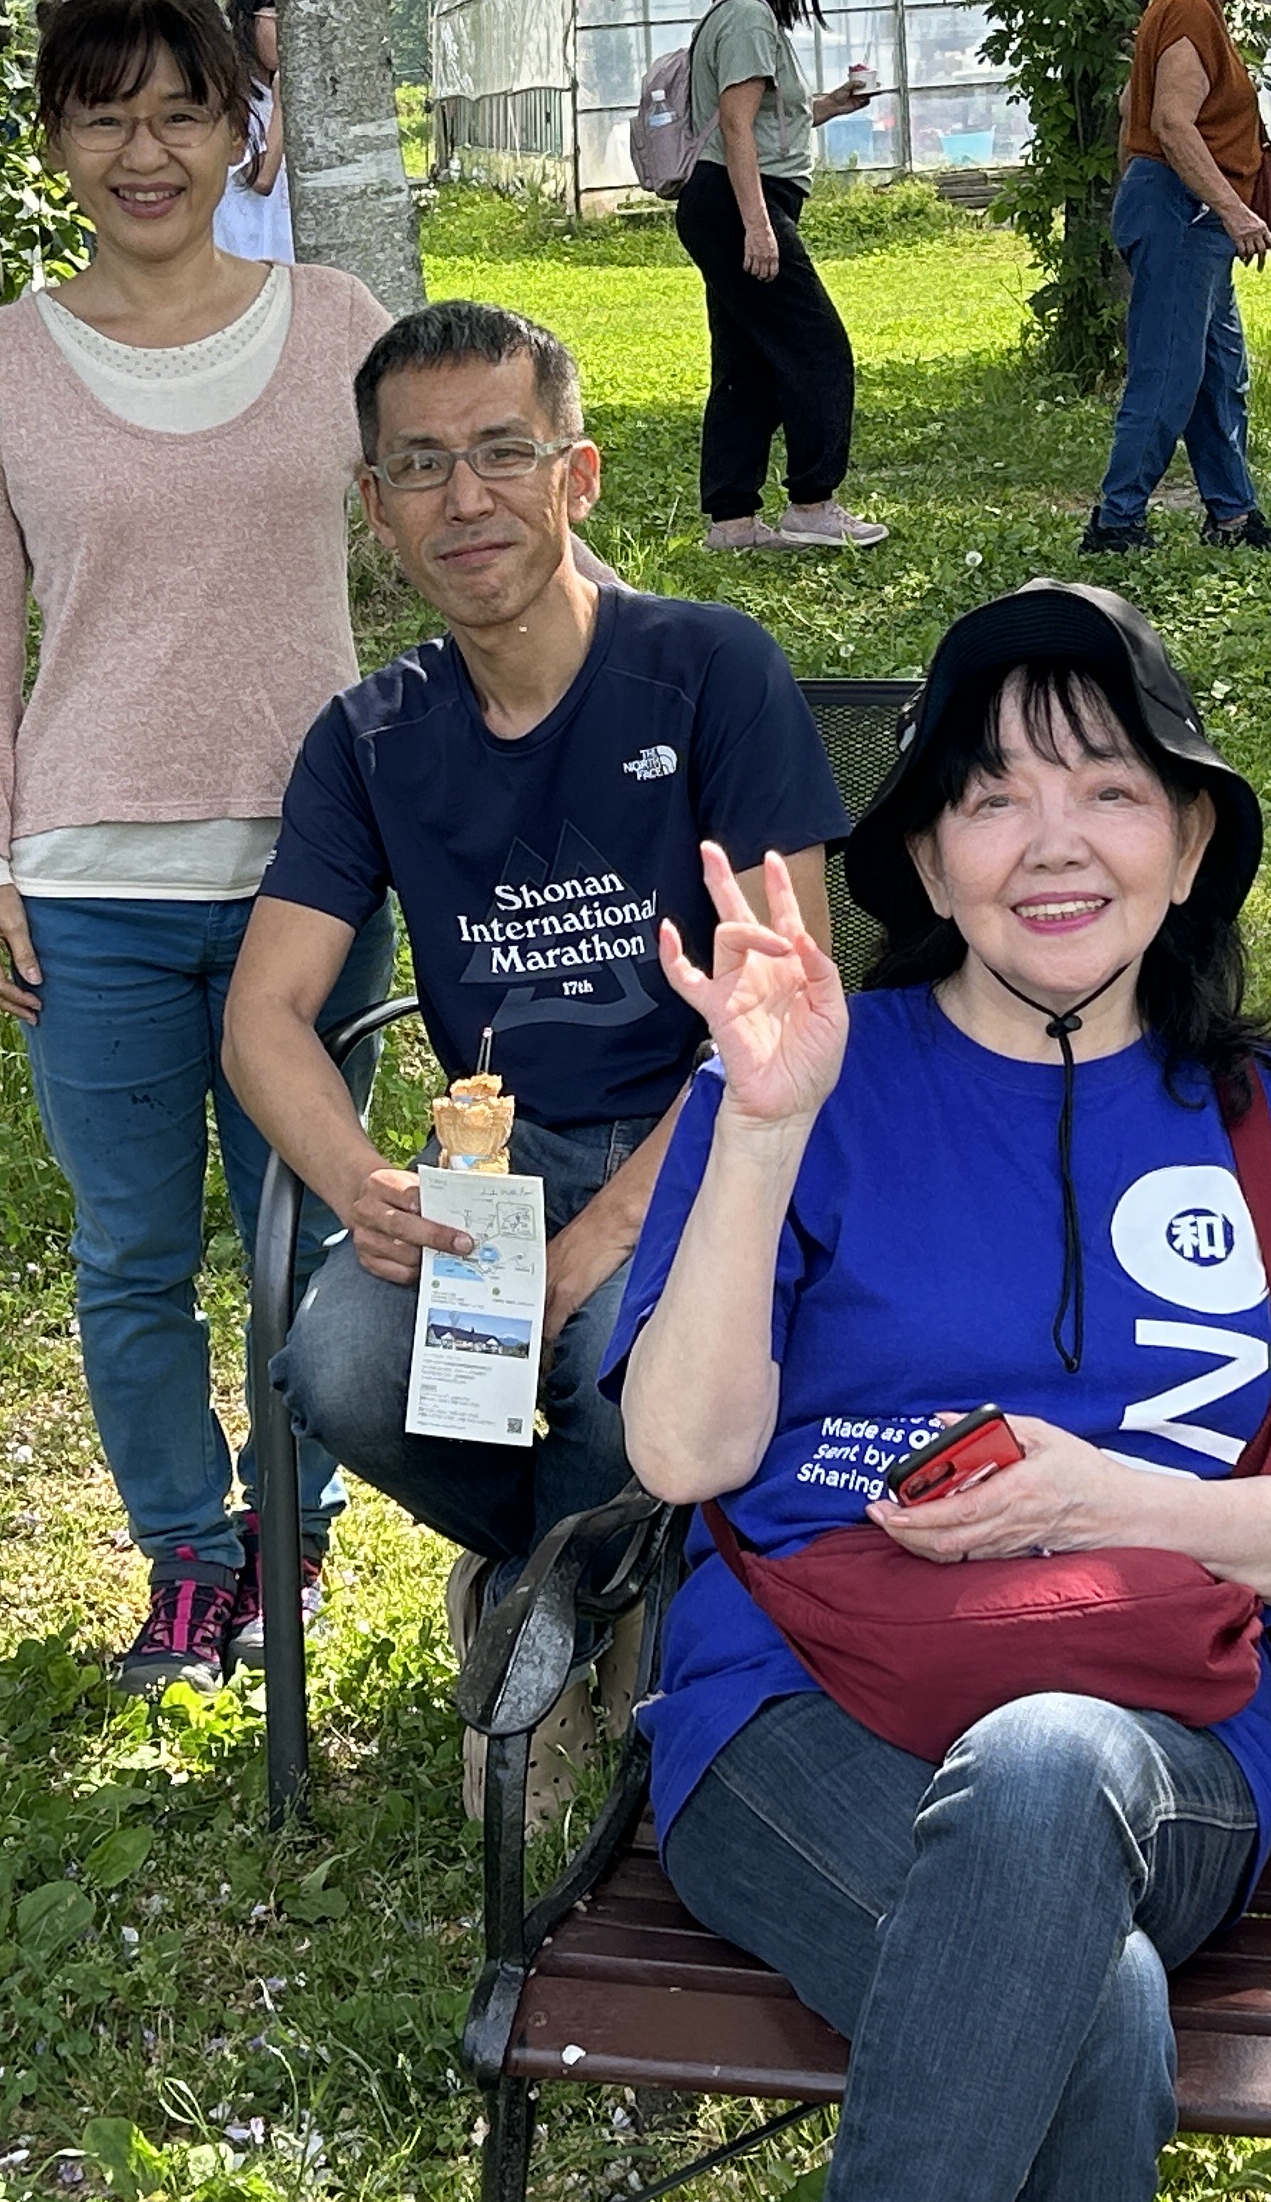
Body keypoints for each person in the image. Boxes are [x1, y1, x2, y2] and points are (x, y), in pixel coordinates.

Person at [613, 579, 1271, 2202]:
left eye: (1111, 788)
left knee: (1051, 1765)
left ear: (1190, 840)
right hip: (789, 1715)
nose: (1053, 844)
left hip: (1156, 1749)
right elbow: (683, 1452)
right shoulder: (810, 1077)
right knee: (1099, 2012)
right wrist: (761, 1127)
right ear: (926, 859)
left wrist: (1105, 1498)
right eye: (992, 796)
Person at [225, 300, 851, 1739]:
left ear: (580, 476)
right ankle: (571, 1584)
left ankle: (544, 1654)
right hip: (497, 1172)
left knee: (619, 1360)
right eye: (421, 465)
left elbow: (778, 1008)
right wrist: (364, 1187)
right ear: (376, 508)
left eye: (504, 452)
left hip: (710, 1146)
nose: (466, 499)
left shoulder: (710, 670)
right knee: (342, 1363)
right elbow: (265, 1015)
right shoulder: (370, 737)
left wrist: (598, 1242)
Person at [0, 0, 398, 1694]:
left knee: (319, 1224)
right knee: (133, 1252)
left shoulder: (337, 323)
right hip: (89, 892)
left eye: (183, 112)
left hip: (316, 878)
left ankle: (296, 1535)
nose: (146, 153)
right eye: (105, 117)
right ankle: (189, 1560)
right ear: (55, 138)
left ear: (238, 125)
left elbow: (459, 526)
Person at [674, 0, 888, 554]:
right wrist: (759, 226)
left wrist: (831, 105)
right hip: (738, 201)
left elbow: (768, 123)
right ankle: (813, 504)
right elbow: (736, 126)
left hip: (731, 200)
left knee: (747, 362)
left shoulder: (750, 13)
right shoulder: (747, 17)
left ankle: (732, 521)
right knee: (818, 347)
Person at [1089, 0, 1271, 556]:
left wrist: (1143, 191)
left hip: (1181, 213)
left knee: (1217, 374)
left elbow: (1130, 108)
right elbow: (1172, 124)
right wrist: (1233, 211)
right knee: (1169, 374)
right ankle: (1116, 522)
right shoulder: (1188, 10)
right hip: (1186, 214)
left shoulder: (1184, 5)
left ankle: (1233, 515)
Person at [214, 0, 293, 264]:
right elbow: (260, 178)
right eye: (277, 18)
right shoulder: (228, 97)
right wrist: (283, 108)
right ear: (245, 22)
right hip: (245, 258)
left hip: (290, 262)